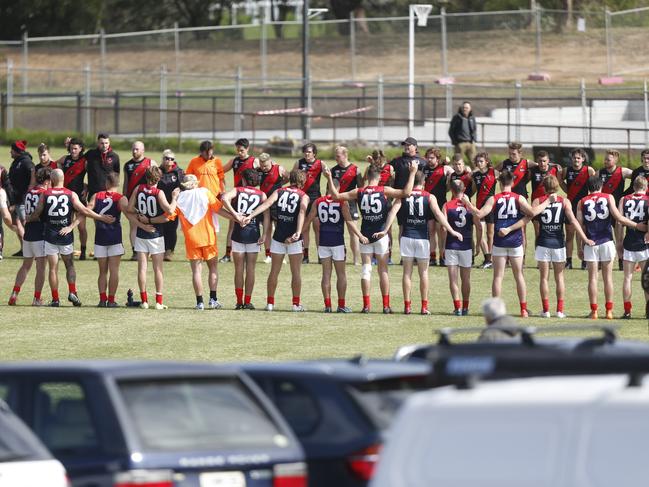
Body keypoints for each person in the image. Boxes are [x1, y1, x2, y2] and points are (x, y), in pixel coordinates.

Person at [324, 161, 418, 314]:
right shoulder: (384, 190)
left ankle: (366, 305)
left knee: (366, 270)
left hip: (365, 235)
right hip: (381, 235)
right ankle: (386, 306)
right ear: (380, 176)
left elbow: (335, 196)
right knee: (383, 271)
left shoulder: (359, 191)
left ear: (367, 176)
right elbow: (406, 193)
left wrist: (329, 178)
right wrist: (413, 172)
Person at [142, 174, 238, 311]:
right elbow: (219, 210)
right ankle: (213, 299)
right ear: (195, 184)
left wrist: (149, 220)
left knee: (196, 272)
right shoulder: (205, 192)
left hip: (192, 239)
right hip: (208, 237)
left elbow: (167, 217)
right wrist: (237, 218)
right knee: (213, 268)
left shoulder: (180, 198)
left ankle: (200, 302)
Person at [373, 171, 462, 315]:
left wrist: (385, 230)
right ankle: (424, 307)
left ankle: (407, 307)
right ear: (424, 182)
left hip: (407, 237)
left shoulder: (404, 195)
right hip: (422, 238)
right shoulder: (429, 196)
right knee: (424, 273)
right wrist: (451, 230)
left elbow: (392, 212)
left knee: (407, 273)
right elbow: (438, 214)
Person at [26, 169, 114, 307]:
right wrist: (100, 217)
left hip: (50, 235)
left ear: (52, 179)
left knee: (53, 268)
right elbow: (84, 211)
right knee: (70, 265)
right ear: (63, 179)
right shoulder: (70, 194)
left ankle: (55, 299)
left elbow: (37, 212)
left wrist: (28, 219)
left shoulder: (45, 194)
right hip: (66, 235)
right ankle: (73, 291)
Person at [471, 170, 551, 318]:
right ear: (513, 183)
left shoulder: (493, 199)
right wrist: (547, 202)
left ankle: (495, 311)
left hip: (499, 241)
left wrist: (468, 204)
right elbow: (532, 213)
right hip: (515, 241)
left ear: (500, 183)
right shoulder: (519, 198)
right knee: (519, 275)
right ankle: (523, 310)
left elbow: (479, 215)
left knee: (498, 277)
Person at [244, 169, 310, 312]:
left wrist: (251, 215)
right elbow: (302, 212)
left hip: (278, 236)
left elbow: (266, 204)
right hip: (294, 239)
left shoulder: (279, 191)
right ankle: (295, 304)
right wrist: (298, 232)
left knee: (274, 271)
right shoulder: (303, 195)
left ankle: (270, 304)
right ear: (302, 181)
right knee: (296, 272)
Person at [577, 176, 641, 320]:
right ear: (601, 186)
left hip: (590, 243)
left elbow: (579, 226)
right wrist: (636, 225)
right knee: (608, 278)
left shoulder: (582, 202)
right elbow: (619, 218)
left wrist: (580, 246)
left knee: (592, 279)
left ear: (588, 187)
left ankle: (594, 311)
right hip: (606, 241)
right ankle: (609, 311)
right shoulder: (608, 197)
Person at [529, 175, 594, 318]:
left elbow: (532, 214)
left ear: (544, 188)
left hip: (543, 243)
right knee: (559, 277)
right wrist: (584, 238)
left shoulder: (538, 201)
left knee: (544, 278)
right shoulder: (565, 201)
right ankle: (559, 310)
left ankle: (546, 310)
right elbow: (574, 221)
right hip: (558, 243)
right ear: (557, 187)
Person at [302, 180, 367, 313]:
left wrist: (298, 234)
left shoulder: (318, 201)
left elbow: (308, 220)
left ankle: (327, 305)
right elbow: (349, 221)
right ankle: (341, 305)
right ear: (337, 188)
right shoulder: (341, 202)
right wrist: (360, 235)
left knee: (326, 275)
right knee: (341, 275)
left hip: (323, 242)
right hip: (337, 242)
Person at [127, 166, 179, 310]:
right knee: (158, 269)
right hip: (156, 234)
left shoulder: (138, 188)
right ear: (159, 178)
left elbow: (130, 208)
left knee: (142, 269)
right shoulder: (159, 192)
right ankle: (158, 301)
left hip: (141, 234)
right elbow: (169, 211)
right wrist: (174, 198)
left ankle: (144, 301)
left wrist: (140, 215)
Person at [220, 169, 269, 310]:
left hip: (239, 232)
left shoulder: (238, 190)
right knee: (251, 269)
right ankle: (248, 301)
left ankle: (239, 301)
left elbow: (224, 198)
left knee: (239, 269)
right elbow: (266, 215)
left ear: (244, 180)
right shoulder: (262, 194)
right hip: (254, 232)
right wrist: (265, 234)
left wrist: (235, 214)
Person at [88, 171, 131, 308]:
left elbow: (86, 210)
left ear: (106, 183)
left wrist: (100, 218)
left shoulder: (97, 195)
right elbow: (129, 212)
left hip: (100, 237)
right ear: (118, 184)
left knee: (102, 272)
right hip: (114, 237)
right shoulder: (120, 198)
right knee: (114, 271)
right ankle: (111, 300)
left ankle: (102, 299)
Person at [8, 167, 50, 306]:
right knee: (41, 268)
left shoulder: (29, 192)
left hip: (28, 234)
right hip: (40, 233)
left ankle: (14, 293)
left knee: (26, 265)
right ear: (47, 181)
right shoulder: (44, 193)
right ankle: (37, 298)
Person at [443, 180, 482, 316]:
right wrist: (477, 245)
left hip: (451, 244)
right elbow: (479, 226)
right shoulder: (470, 207)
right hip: (466, 245)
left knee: (453, 279)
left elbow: (443, 228)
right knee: (466, 279)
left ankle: (457, 307)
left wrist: (442, 247)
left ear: (452, 191)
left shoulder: (447, 205)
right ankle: (465, 307)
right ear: (464, 189)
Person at [220, 138, 257, 263]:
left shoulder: (254, 161)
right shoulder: (234, 161)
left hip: (252, 197)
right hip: (238, 196)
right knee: (232, 224)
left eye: (241, 150)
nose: (239, 152)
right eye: (237, 150)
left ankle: (266, 254)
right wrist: (222, 186)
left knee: (257, 224)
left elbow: (266, 171)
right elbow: (220, 171)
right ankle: (227, 254)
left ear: (247, 149)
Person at [617, 176, 649, 319]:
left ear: (633, 186)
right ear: (646, 187)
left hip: (629, 241)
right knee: (647, 279)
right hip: (644, 244)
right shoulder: (648, 200)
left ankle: (627, 310)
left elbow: (619, 222)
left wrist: (618, 241)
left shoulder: (624, 199)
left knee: (627, 278)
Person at [561, 148, 595, 270]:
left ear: (583, 159)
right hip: (570, 205)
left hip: (584, 206)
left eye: (579, 158)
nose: (576, 160)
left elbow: (594, 183)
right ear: (572, 159)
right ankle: (568, 261)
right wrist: (567, 190)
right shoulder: (566, 170)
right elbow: (560, 180)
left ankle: (584, 261)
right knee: (569, 234)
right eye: (574, 157)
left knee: (584, 233)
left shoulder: (588, 170)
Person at [599, 150, 633, 271]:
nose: (605, 161)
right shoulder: (600, 173)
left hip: (618, 209)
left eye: (608, 159)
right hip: (603, 210)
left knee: (619, 237)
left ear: (615, 160)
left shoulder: (623, 171)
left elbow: (638, 176)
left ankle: (621, 261)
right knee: (601, 237)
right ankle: (600, 261)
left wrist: (626, 193)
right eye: (605, 159)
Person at [123, 141, 157, 260]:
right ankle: (135, 252)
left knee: (150, 223)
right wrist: (125, 197)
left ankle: (152, 251)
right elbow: (126, 183)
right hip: (133, 200)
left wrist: (155, 195)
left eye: (137, 149)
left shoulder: (150, 162)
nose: (134, 151)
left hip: (148, 199)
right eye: (133, 149)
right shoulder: (127, 165)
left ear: (143, 150)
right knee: (133, 226)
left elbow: (156, 179)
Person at [329, 145, 362, 265]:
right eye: (335, 156)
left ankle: (356, 259)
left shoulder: (355, 170)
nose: (336, 158)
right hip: (336, 204)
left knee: (353, 232)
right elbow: (330, 189)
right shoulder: (333, 170)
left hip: (351, 204)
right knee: (336, 232)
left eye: (338, 156)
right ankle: (338, 256)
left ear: (345, 155)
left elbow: (361, 189)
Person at [58, 138, 89, 260]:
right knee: (67, 225)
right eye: (71, 148)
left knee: (81, 227)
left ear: (81, 149)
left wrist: (86, 188)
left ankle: (83, 250)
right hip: (66, 197)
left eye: (76, 148)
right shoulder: (65, 159)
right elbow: (55, 165)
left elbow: (93, 176)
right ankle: (67, 250)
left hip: (79, 198)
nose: (73, 151)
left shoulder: (85, 161)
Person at [293, 142, 323, 264]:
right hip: (302, 198)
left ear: (314, 153)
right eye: (305, 151)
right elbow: (293, 177)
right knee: (304, 228)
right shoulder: (299, 163)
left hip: (315, 198)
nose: (307, 153)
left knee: (317, 228)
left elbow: (329, 176)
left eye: (309, 152)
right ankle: (305, 256)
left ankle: (321, 255)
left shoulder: (320, 163)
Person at [423, 147, 453, 266]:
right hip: (427, 204)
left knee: (442, 231)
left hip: (441, 204)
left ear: (437, 158)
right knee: (430, 230)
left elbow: (456, 172)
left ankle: (443, 256)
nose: (429, 160)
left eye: (432, 158)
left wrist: (447, 163)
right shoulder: (423, 169)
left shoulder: (445, 169)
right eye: (428, 158)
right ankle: (432, 256)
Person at [365, 150, 396, 263]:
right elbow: (365, 179)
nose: (377, 160)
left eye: (378, 158)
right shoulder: (372, 168)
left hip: (385, 200)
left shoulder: (389, 168)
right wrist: (370, 165)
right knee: (373, 227)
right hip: (373, 200)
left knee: (388, 229)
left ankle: (389, 256)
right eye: (375, 158)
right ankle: (373, 256)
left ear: (383, 157)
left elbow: (393, 183)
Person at [257, 152, 287, 263]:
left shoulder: (279, 168)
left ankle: (281, 255)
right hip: (264, 203)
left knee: (279, 228)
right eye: (262, 165)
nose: (264, 168)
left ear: (270, 161)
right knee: (267, 228)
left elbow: (288, 177)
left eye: (266, 165)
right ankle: (268, 254)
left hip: (277, 203)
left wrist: (279, 185)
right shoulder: (258, 170)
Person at [471, 152, 498, 269]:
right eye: (477, 161)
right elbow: (472, 190)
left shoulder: (494, 172)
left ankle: (491, 259)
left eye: (481, 161)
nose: (479, 163)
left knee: (490, 234)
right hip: (479, 207)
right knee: (480, 232)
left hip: (491, 206)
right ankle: (487, 258)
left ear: (486, 161)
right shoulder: (475, 175)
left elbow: (506, 181)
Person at [8, 140, 35, 256]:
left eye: (12, 150)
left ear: (17, 151)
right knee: (16, 224)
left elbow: (33, 178)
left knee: (25, 224)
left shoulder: (26, 162)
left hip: (22, 199)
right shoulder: (16, 162)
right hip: (13, 199)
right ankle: (24, 248)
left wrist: (27, 193)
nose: (10, 152)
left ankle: (34, 249)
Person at [158, 149, 184, 261]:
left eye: (171, 159)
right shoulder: (158, 171)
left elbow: (183, 187)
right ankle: (161, 250)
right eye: (167, 158)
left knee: (172, 229)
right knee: (160, 228)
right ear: (163, 159)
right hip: (160, 204)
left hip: (173, 205)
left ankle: (169, 251)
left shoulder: (179, 172)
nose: (169, 161)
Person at [85, 132, 120, 201]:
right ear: (98, 143)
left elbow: (116, 176)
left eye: (106, 143)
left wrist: (114, 190)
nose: (104, 145)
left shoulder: (115, 157)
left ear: (109, 143)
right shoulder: (90, 154)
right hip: (93, 193)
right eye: (102, 143)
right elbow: (78, 159)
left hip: (108, 194)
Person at [448, 101, 477, 166]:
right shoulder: (456, 118)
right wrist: (455, 142)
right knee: (458, 162)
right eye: (463, 107)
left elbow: (474, 129)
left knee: (474, 162)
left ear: (470, 109)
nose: (465, 109)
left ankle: (476, 175)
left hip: (470, 143)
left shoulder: (472, 118)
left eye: (466, 107)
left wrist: (474, 139)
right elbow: (451, 131)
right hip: (460, 143)